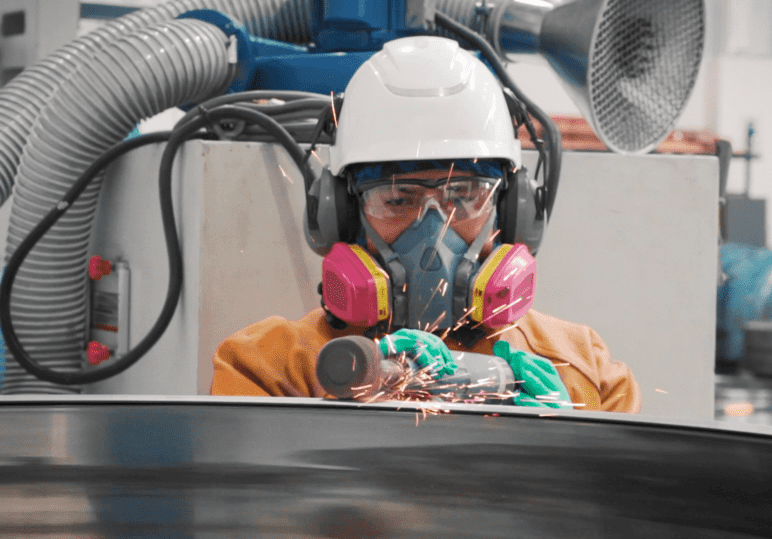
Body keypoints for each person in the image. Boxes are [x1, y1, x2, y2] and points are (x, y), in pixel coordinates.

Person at [210, 36, 640, 413]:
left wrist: (572, 448)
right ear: (341, 214)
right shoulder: (270, 369)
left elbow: (627, 501)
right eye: (398, 198)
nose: (435, 231)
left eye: (465, 196)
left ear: (513, 213)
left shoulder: (586, 373)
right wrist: (346, 413)